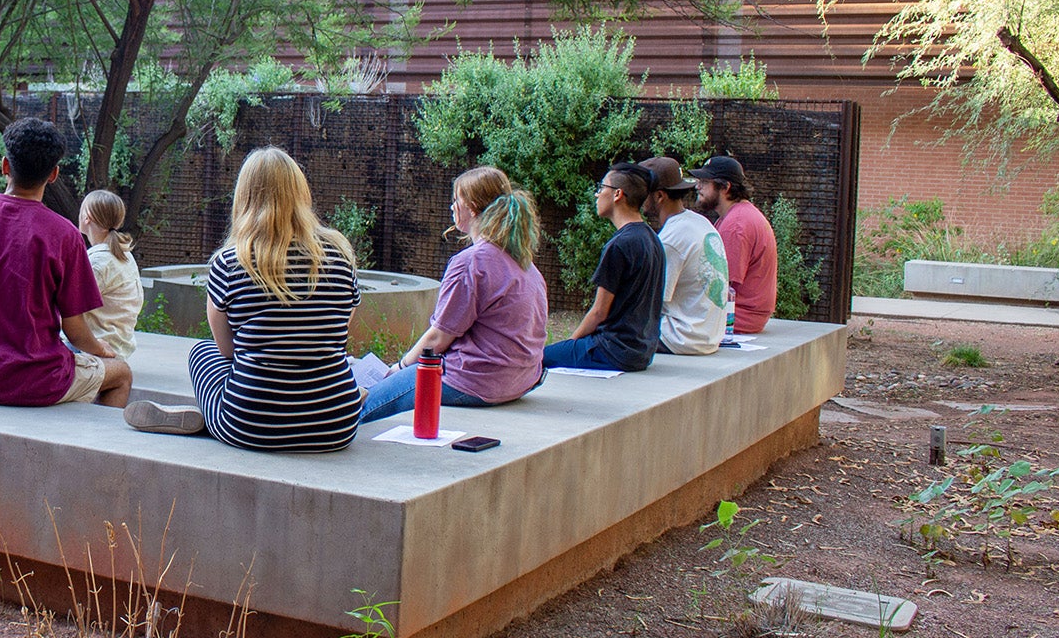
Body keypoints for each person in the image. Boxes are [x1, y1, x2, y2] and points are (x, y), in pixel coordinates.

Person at [125, 147, 361, 453]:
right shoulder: (340, 257)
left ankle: (213, 420)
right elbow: (340, 332)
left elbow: (226, 350)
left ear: (245, 197)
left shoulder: (230, 262)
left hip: (253, 425)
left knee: (202, 352)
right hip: (337, 425)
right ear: (301, 192)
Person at [0, 119, 132, 407]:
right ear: (54, 174)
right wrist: (100, 349)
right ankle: (98, 448)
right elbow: (75, 330)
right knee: (121, 373)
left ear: (5, 166)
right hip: (39, 379)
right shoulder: (65, 234)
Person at [360, 167, 547, 422]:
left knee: (360, 409)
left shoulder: (471, 262)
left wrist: (400, 367)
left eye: (455, 200)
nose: (451, 207)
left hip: (474, 380)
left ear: (470, 207)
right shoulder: (527, 266)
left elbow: (438, 338)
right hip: (519, 380)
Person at [542, 162, 665, 372]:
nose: (597, 195)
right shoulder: (652, 239)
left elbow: (599, 312)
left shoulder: (619, 244)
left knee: (537, 358)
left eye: (601, 188)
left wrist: (571, 343)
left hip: (611, 351)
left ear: (618, 194)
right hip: (641, 352)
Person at [639, 156, 729, 356]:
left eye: (642, 192)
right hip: (708, 336)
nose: (638, 197)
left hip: (682, 338)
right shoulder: (699, 222)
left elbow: (653, 302)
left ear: (659, 196)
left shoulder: (672, 238)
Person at [689, 155, 778, 334]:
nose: (698, 186)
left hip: (739, 317)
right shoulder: (737, 215)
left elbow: (721, 287)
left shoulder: (736, 224)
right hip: (746, 315)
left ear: (725, 187)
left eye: (705, 182)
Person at [78, 189, 143, 359]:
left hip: (97, 349)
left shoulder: (99, 263)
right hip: (119, 346)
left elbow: (71, 311)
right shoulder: (124, 254)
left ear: (87, 216)